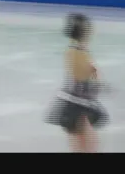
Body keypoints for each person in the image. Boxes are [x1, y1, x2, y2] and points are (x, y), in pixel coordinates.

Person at [45, 13, 108, 152]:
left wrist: (94, 75)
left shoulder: (79, 50)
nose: (92, 31)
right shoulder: (75, 51)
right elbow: (80, 75)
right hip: (76, 104)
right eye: (89, 29)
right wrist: (93, 73)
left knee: (85, 143)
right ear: (83, 31)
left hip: (80, 102)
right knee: (87, 144)